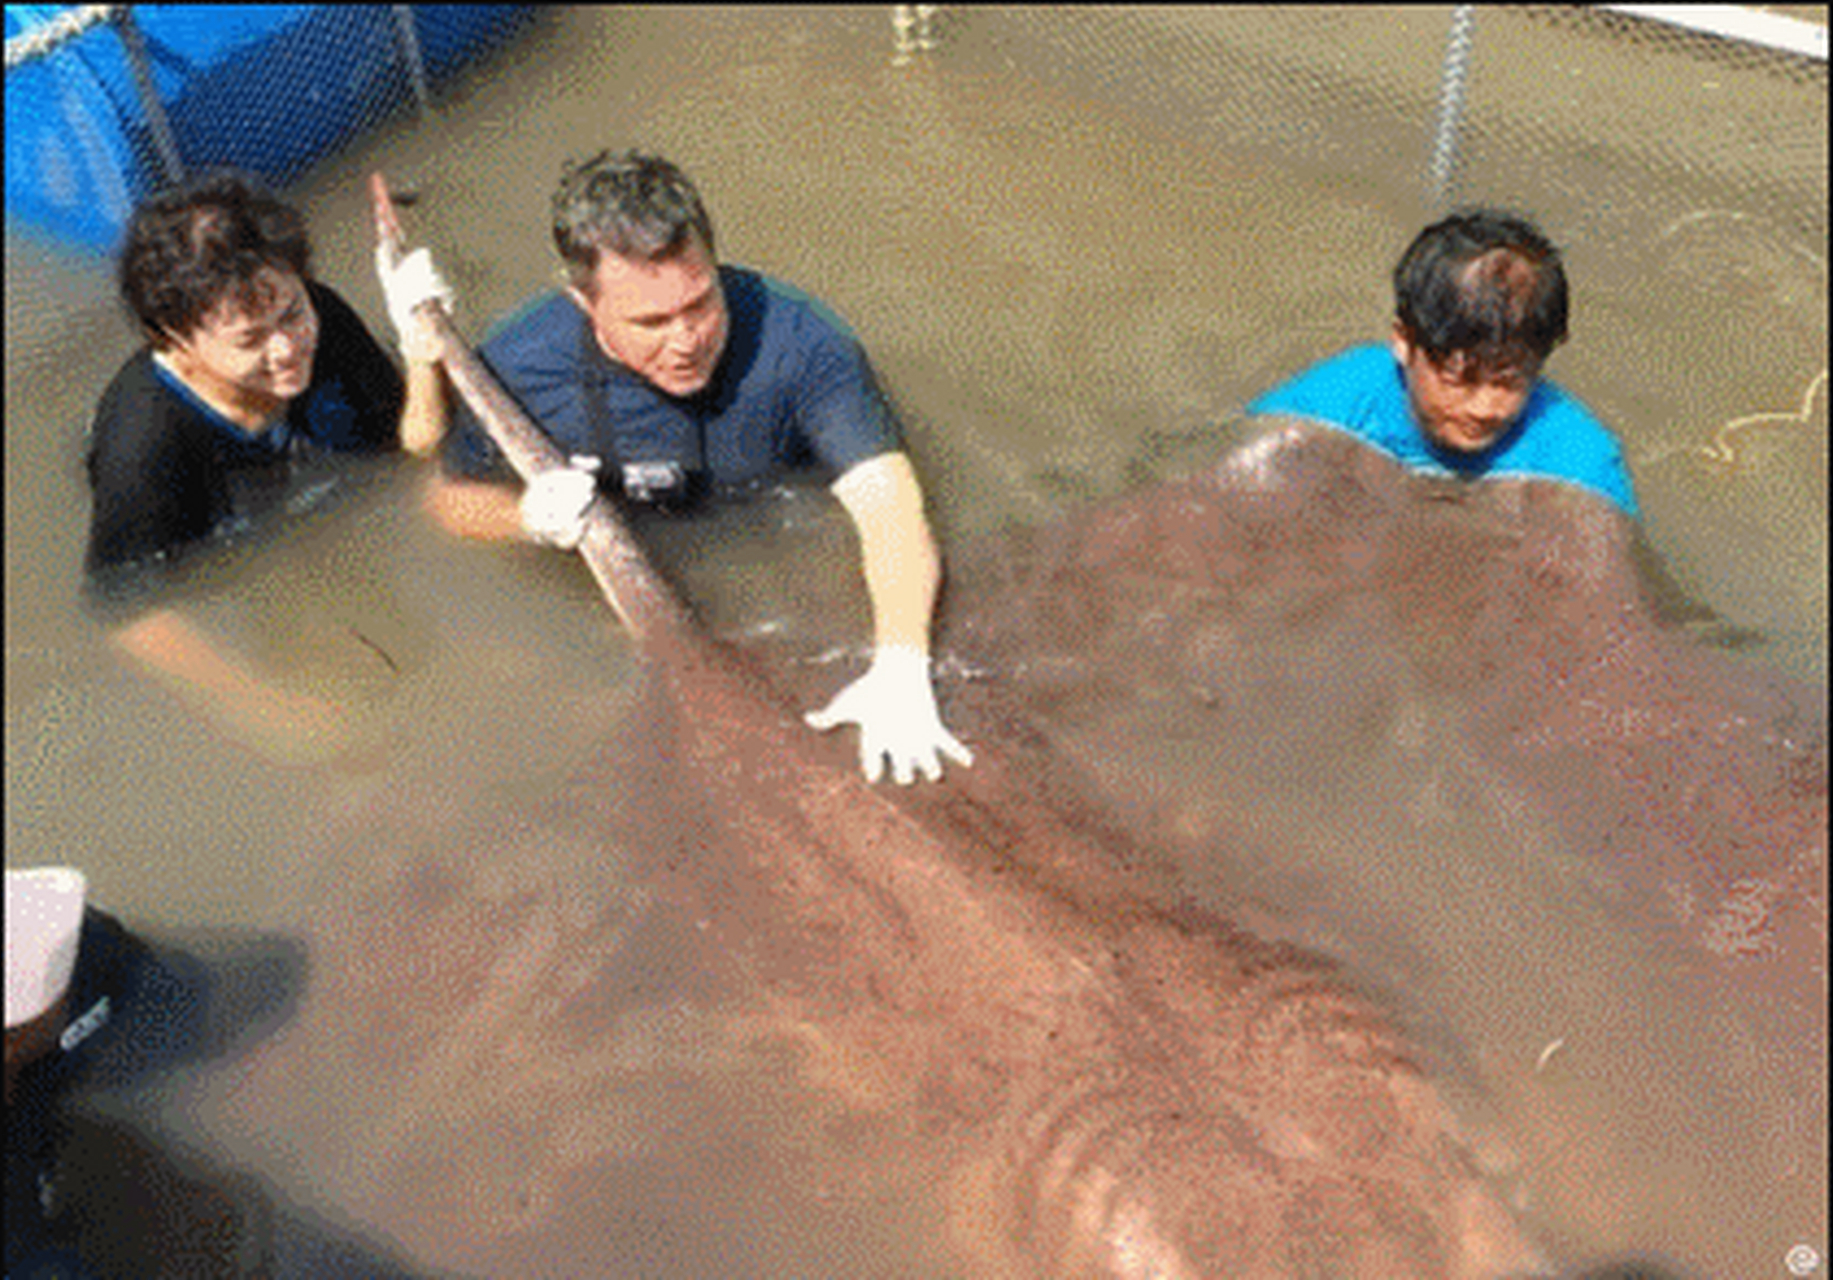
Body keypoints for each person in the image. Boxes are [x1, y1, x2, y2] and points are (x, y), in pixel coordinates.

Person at [427, 149, 973, 786]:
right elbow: (447, 501)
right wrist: (526, 517)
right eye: (651, 322)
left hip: (775, 522)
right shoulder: (520, 368)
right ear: (583, 302)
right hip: (634, 547)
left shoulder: (802, 342)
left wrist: (902, 664)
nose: (686, 339)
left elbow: (889, 507)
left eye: (701, 303)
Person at [83, 171, 453, 759]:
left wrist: (424, 349)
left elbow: (409, 447)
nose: (287, 348)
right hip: (240, 560)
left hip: (341, 525)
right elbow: (130, 610)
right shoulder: (145, 441)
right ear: (171, 339)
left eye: (291, 313)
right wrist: (267, 709)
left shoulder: (321, 318)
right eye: (250, 338)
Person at [1247, 208, 1638, 516]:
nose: (1486, 407)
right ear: (1403, 341)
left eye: (1510, 380)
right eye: (1459, 377)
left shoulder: (1579, 463)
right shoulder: (1329, 408)